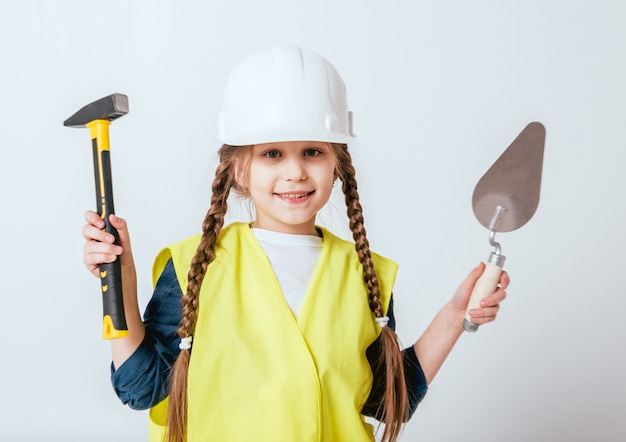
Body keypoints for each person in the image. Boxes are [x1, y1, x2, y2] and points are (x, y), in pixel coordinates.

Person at [82, 45, 508, 442]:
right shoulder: (195, 265)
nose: (295, 172)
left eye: (311, 152)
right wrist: (124, 279)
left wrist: (454, 318)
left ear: (337, 164)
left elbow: (388, 399)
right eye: (272, 154)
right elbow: (142, 388)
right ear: (238, 169)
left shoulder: (365, 275)